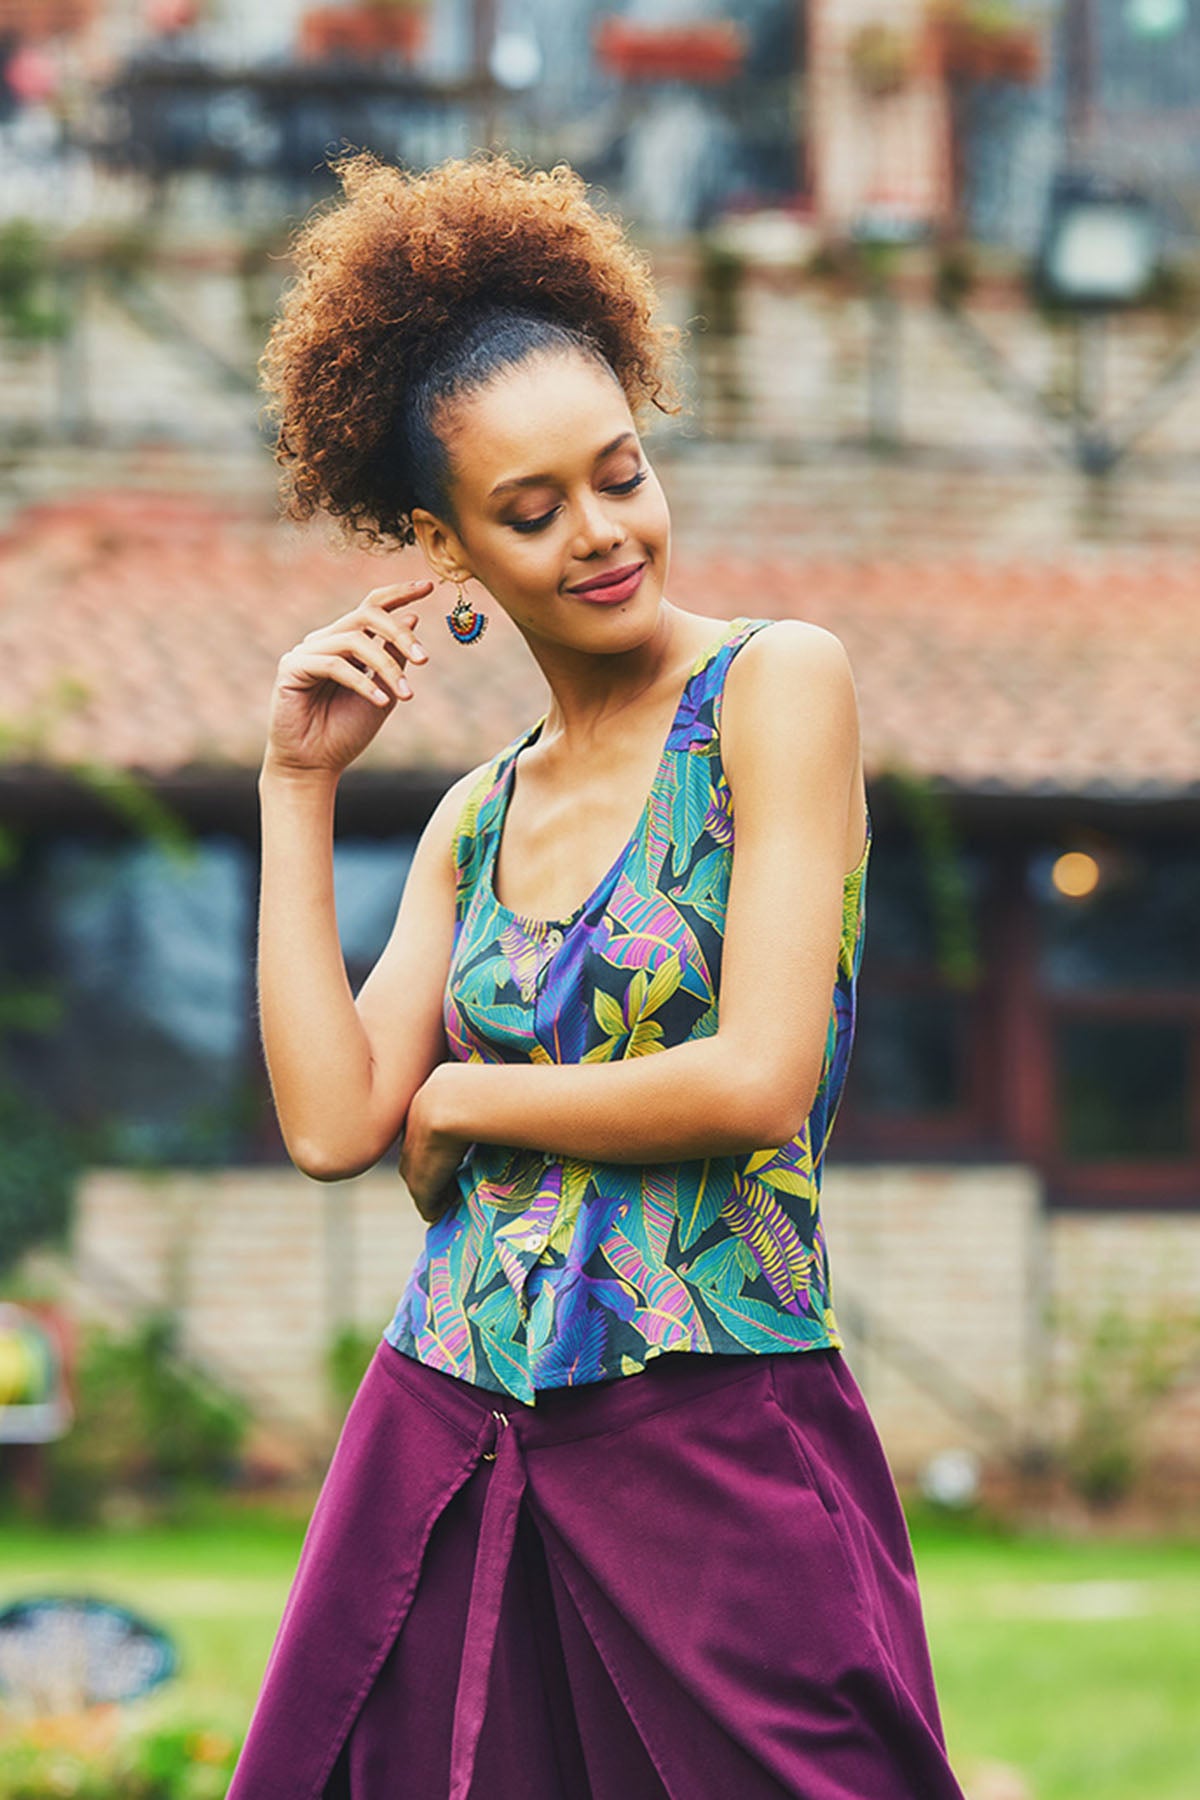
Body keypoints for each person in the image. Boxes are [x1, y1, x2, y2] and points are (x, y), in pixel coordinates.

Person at [228, 150, 967, 1800]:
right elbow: (339, 1123)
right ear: (444, 542)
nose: (600, 533)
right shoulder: (474, 819)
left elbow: (758, 1077)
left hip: (705, 1418)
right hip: (449, 1431)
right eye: (530, 509)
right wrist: (298, 784)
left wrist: (469, 1097)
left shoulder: (776, 689)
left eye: (619, 473)